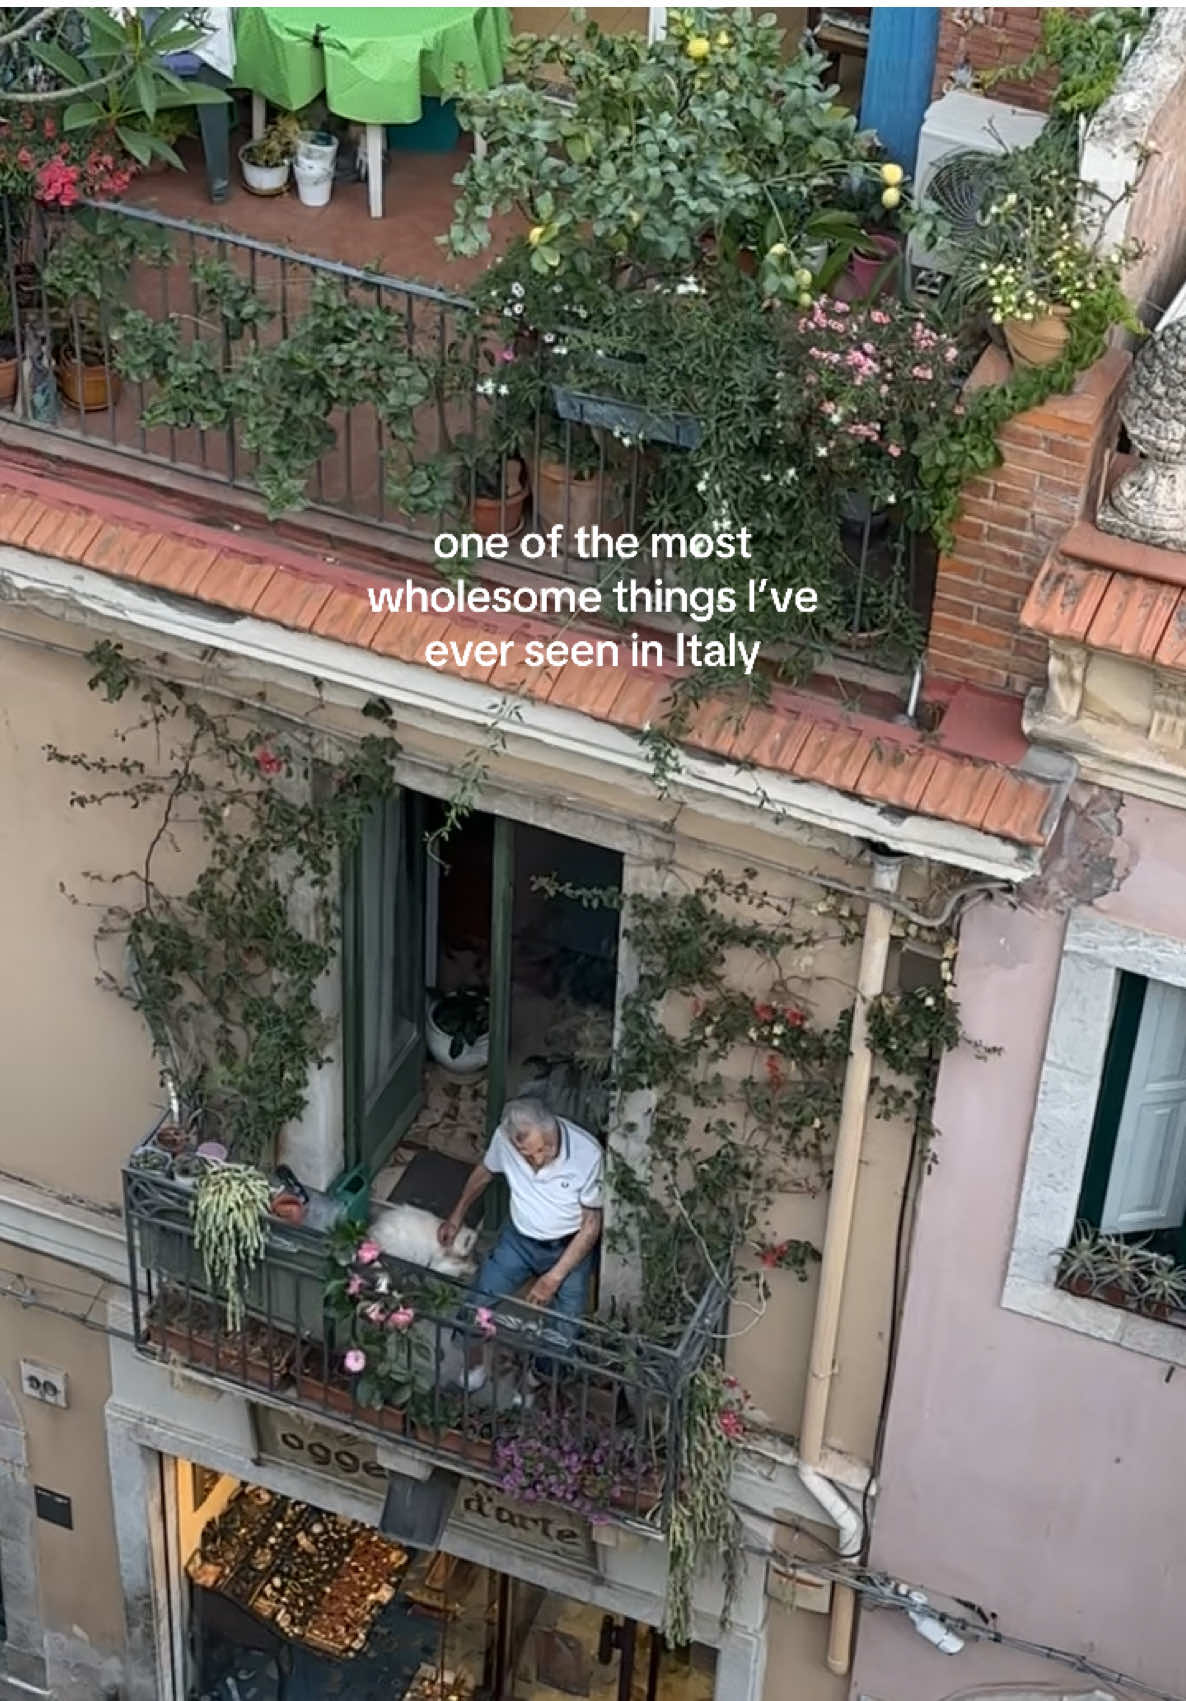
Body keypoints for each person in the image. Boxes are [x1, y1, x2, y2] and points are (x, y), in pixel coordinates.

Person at [438, 1098, 603, 1387]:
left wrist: (554, 1277)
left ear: (552, 1132)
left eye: (543, 1150)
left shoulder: (587, 1154)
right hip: (519, 1238)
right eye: (526, 1155)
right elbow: (485, 1172)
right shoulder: (506, 1138)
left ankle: (541, 1379)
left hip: (567, 1246)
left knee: (566, 1322)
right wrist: (457, 1215)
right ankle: (474, 1368)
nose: (536, 1160)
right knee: (480, 1296)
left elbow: (591, 1225)